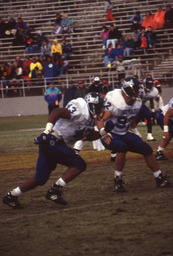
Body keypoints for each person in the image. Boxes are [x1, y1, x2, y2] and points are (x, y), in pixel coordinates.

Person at [2, 92, 104, 208]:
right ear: (93, 105)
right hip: (52, 140)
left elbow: (89, 136)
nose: (102, 110)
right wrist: (46, 131)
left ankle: (11, 195)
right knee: (79, 164)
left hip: (52, 144)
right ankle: (55, 190)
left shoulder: (90, 119)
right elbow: (57, 112)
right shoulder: (81, 108)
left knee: (40, 178)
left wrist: (103, 133)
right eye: (100, 107)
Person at [97, 76, 173, 192]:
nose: (139, 91)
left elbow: (131, 118)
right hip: (110, 134)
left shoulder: (137, 102)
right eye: (137, 89)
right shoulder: (115, 101)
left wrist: (136, 133)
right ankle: (118, 180)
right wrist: (103, 134)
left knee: (146, 149)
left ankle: (159, 178)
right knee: (121, 147)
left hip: (124, 133)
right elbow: (100, 120)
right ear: (128, 89)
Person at [134, 77, 158, 141]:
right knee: (140, 118)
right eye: (148, 84)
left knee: (146, 117)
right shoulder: (139, 89)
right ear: (144, 84)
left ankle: (149, 135)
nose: (149, 86)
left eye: (150, 84)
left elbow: (151, 100)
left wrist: (153, 110)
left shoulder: (154, 91)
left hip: (143, 104)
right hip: (135, 103)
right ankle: (132, 132)